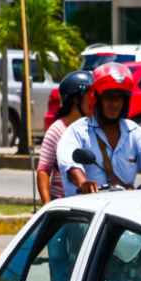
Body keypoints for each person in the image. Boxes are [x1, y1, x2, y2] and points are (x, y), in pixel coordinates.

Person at [56, 63, 141, 196]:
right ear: (96, 98)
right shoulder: (76, 132)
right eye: (108, 96)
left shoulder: (134, 133)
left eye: (120, 97)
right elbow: (70, 164)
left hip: (120, 213)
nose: (115, 103)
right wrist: (83, 183)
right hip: (85, 214)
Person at [36, 70, 93, 204]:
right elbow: (43, 170)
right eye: (89, 96)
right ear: (76, 100)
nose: (93, 100)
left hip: (90, 200)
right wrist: (47, 204)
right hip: (63, 202)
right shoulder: (57, 130)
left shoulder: (93, 127)